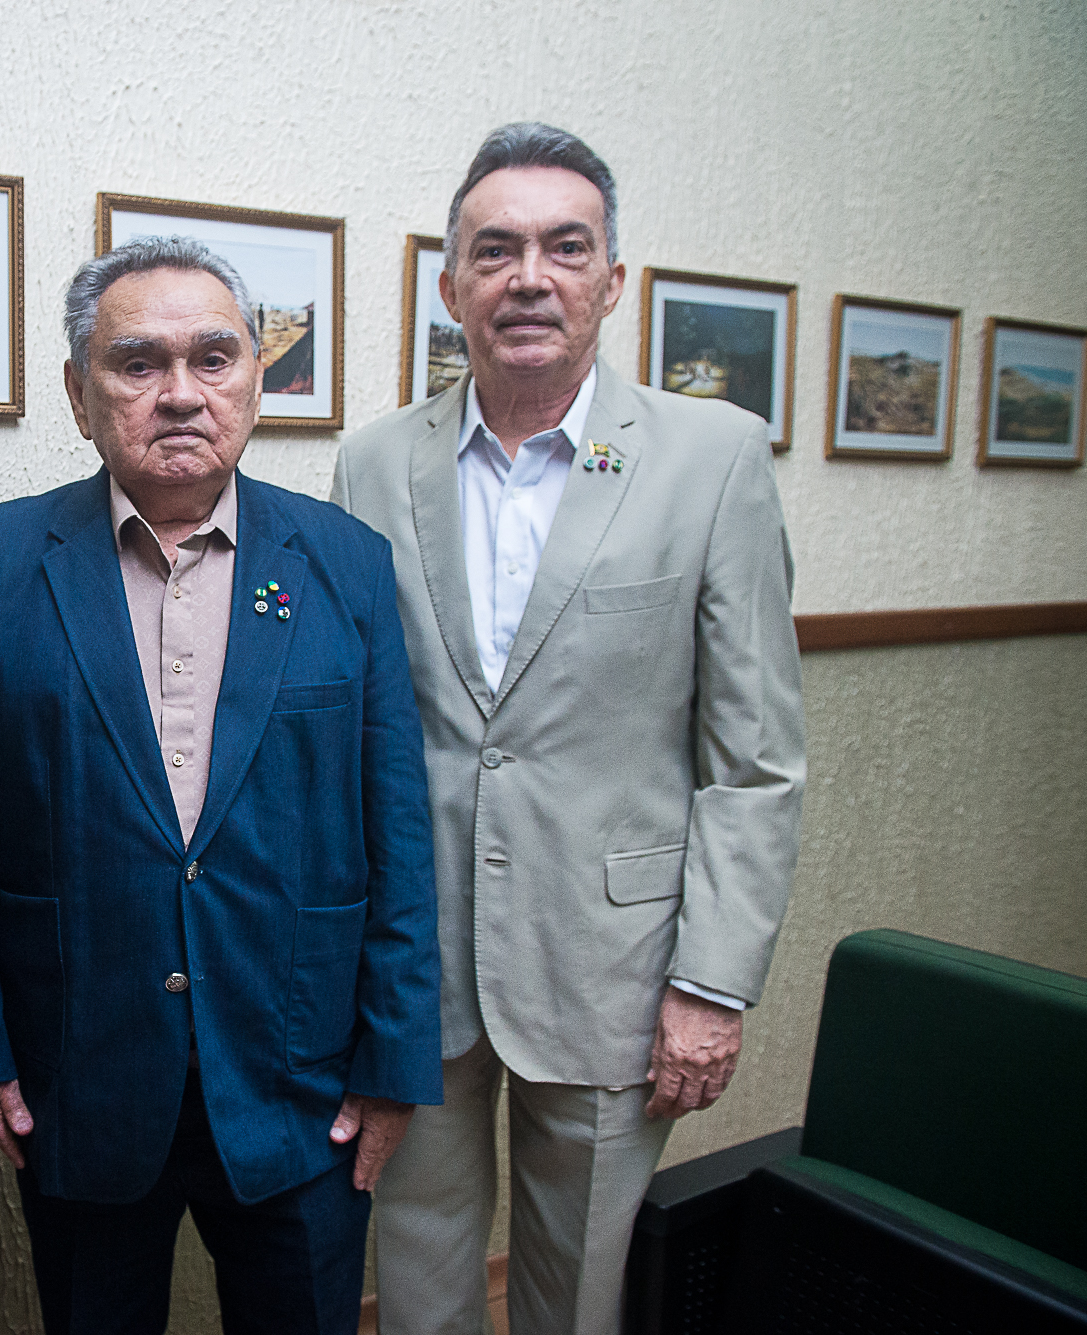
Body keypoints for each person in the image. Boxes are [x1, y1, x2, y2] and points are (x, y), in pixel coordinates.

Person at [332, 123, 805, 1335]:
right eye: (493, 251)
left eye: (563, 247)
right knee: (416, 1271)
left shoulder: (711, 458)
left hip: (617, 965)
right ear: (451, 288)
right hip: (417, 959)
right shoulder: (372, 464)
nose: (527, 277)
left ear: (610, 280)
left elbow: (753, 763)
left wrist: (709, 983)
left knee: (576, 1292)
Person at [0, 237, 443, 1335]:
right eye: (136, 363)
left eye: (213, 358)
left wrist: (392, 1058)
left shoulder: (346, 561)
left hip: (303, 1076)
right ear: (79, 394)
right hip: (79, 1073)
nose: (179, 393)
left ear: (256, 378)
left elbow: (396, 826)